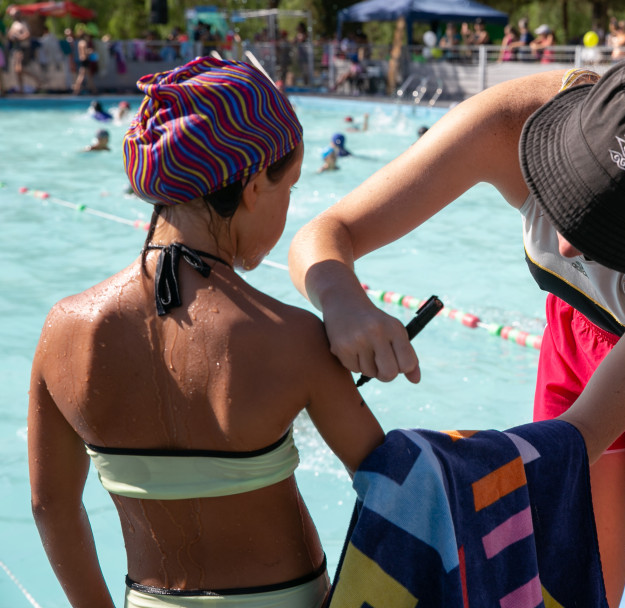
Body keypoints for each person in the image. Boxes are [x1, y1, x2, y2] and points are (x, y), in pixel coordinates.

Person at [287, 47, 625, 608]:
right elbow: (326, 233)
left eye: (611, 233)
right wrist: (343, 300)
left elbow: (582, 436)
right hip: (576, 329)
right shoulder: (506, 121)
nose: (568, 245)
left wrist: (438, 480)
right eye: (569, 196)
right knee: (567, 589)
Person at [29, 57, 384, 608]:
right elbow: (394, 487)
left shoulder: (65, 330)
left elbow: (50, 505)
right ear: (252, 185)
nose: (288, 210)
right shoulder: (292, 336)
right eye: (288, 187)